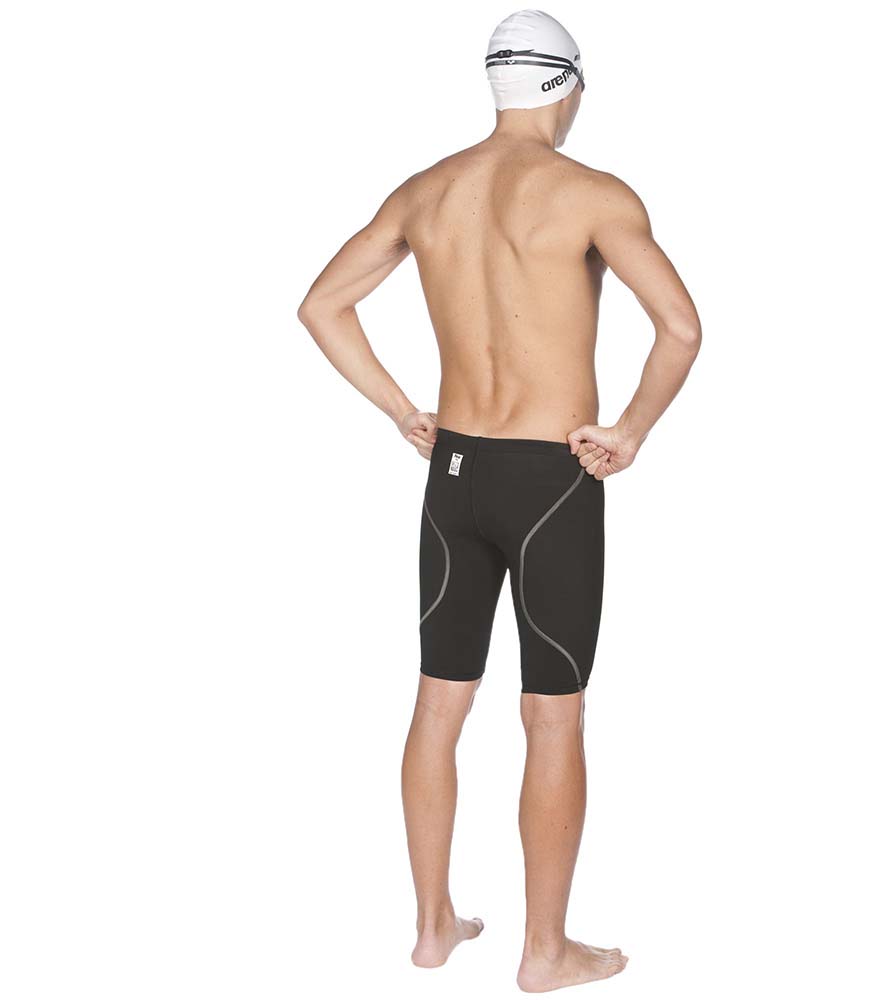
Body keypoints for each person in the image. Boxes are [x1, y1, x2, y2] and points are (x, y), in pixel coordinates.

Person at [296, 9, 701, 992]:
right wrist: (630, 430)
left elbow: (320, 304)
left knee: (439, 700)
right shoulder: (593, 195)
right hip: (551, 482)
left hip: (455, 475)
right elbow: (681, 328)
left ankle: (433, 927)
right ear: (567, 88)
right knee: (552, 714)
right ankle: (544, 951)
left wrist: (405, 412)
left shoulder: (427, 191)